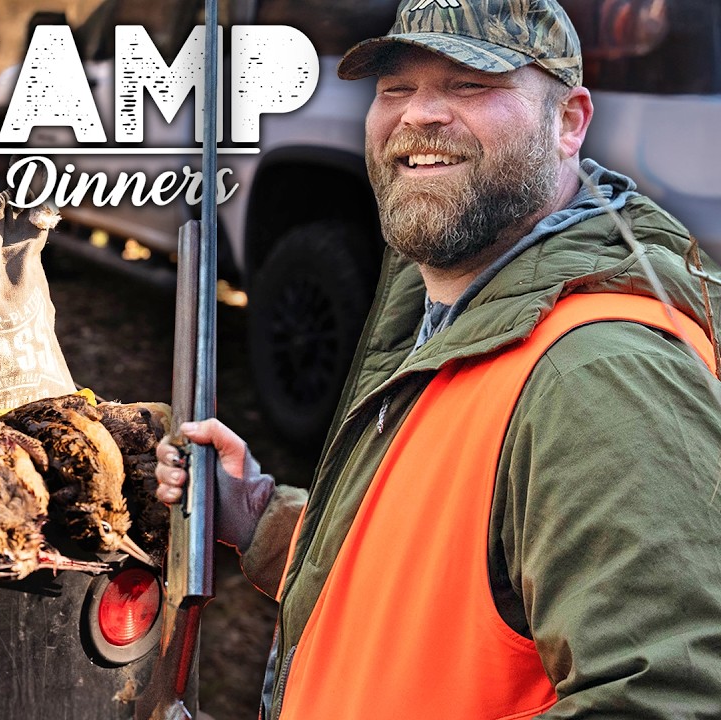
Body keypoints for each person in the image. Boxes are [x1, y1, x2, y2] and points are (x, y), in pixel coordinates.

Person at [155, 0, 721, 717]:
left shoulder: (600, 372)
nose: (418, 115)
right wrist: (257, 519)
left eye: (469, 85)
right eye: (394, 88)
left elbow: (674, 699)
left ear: (570, 122)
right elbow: (440, 580)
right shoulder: (458, 317)